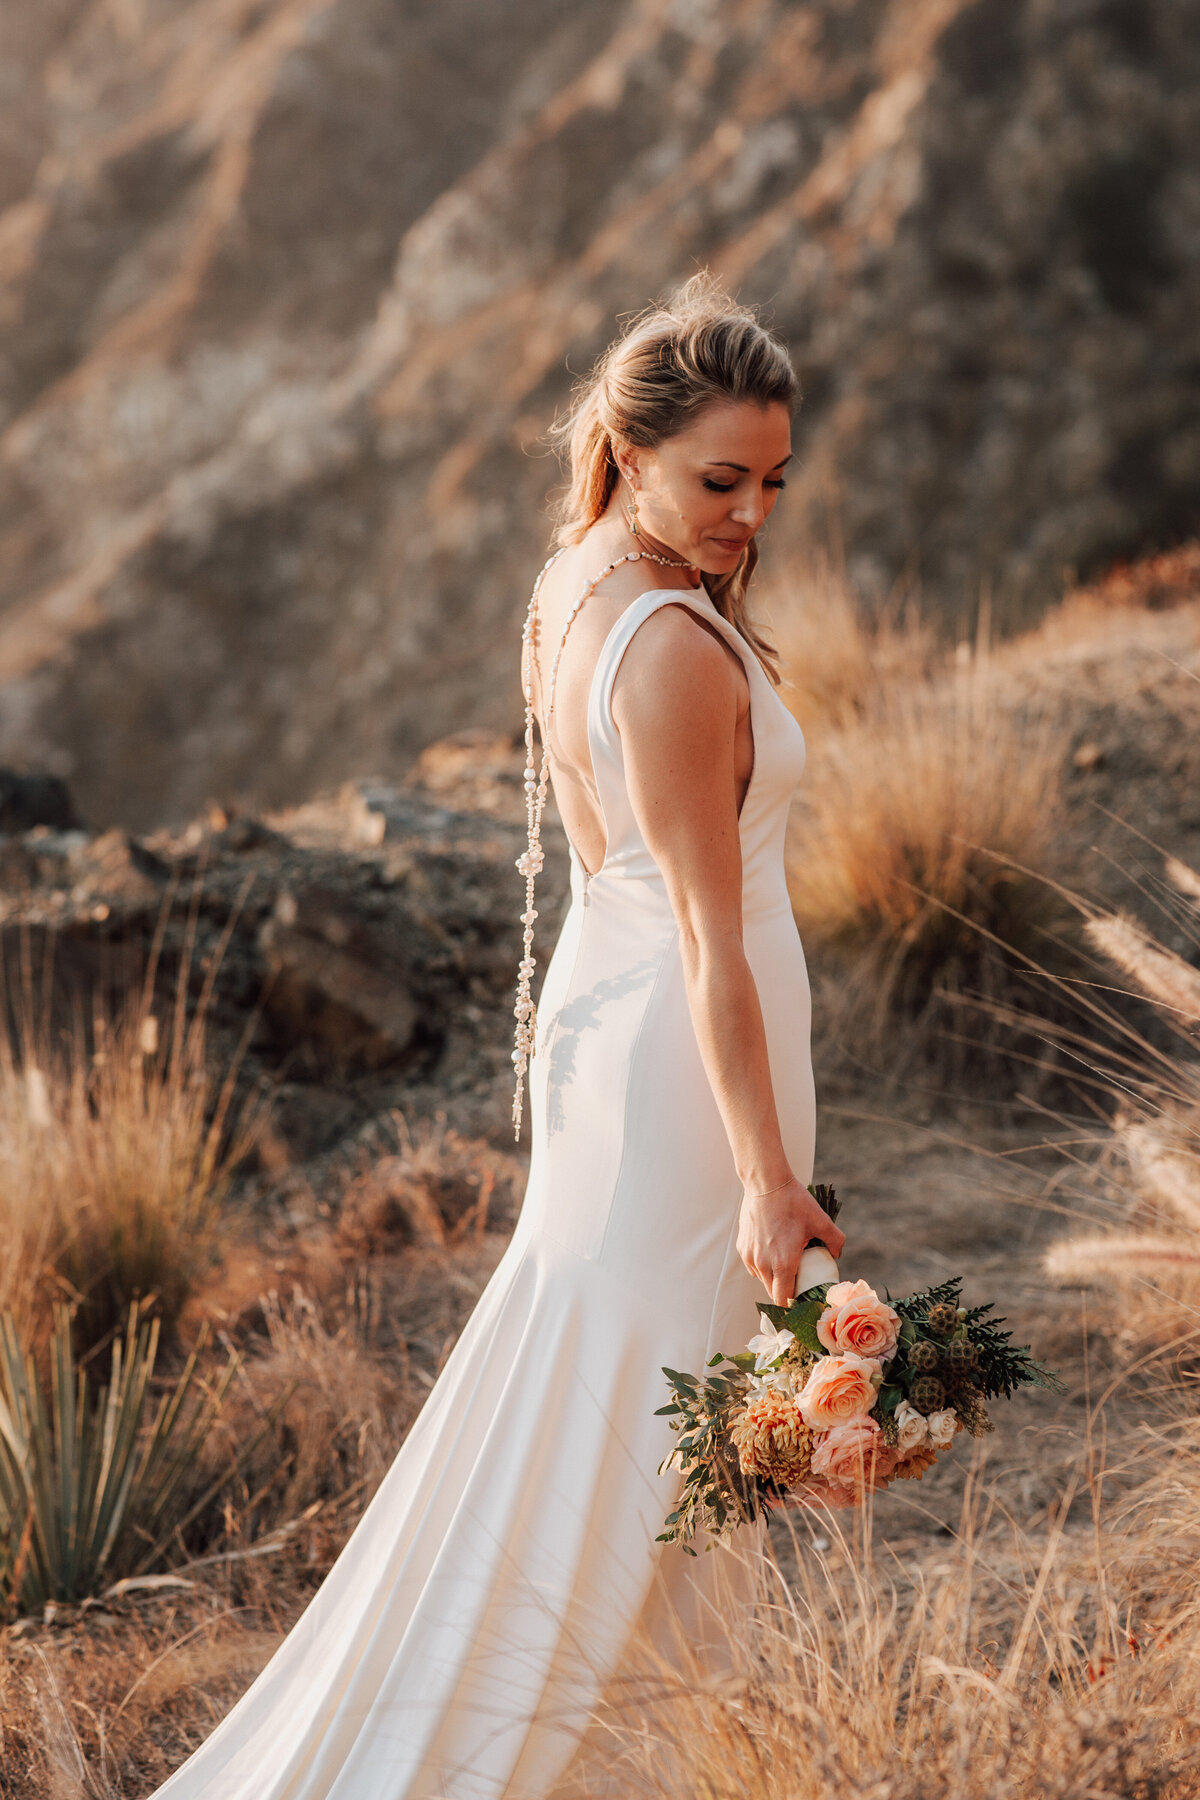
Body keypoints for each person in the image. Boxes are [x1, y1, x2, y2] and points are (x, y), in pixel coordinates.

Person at [144, 273, 844, 1800]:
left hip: (618, 1033)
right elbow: (715, 940)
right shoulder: (667, 650)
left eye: (774, 482)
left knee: (619, 1398)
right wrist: (764, 1175)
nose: (752, 516)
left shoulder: (571, 579)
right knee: (657, 1425)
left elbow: (628, 883)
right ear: (636, 447)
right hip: (688, 1067)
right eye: (721, 479)